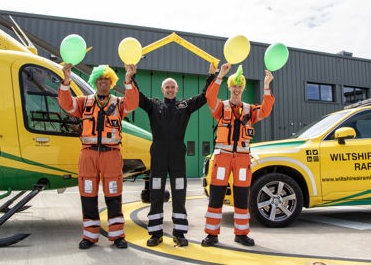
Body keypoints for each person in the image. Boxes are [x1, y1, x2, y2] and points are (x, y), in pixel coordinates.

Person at [58, 63, 138, 250]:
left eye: (106, 80)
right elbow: (65, 104)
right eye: (100, 80)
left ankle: (117, 235)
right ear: (95, 82)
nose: (103, 83)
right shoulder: (83, 102)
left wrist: (128, 80)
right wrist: (66, 80)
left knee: (114, 196)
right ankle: (90, 236)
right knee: (88, 195)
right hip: (88, 155)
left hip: (111, 155)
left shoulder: (119, 104)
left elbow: (133, 102)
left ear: (111, 82)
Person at [139, 64, 216, 247]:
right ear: (162, 89)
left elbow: (204, 96)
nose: (170, 90)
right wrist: (130, 78)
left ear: (177, 89)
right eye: (167, 87)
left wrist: (211, 76)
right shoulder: (153, 105)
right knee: (156, 194)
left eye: (173, 87)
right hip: (158, 153)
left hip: (177, 155)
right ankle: (155, 234)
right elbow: (137, 97)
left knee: (179, 194)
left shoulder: (185, 106)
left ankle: (179, 233)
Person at [201, 63, 274, 247]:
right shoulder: (221, 107)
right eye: (234, 85)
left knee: (242, 197)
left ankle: (241, 234)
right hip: (222, 158)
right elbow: (209, 97)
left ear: (243, 88)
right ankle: (211, 234)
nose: (237, 88)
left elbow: (265, 110)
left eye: (240, 85)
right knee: (216, 196)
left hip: (242, 160)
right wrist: (220, 75)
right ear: (230, 86)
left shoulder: (250, 110)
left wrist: (266, 85)